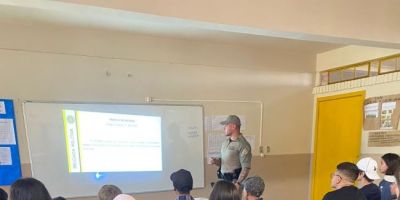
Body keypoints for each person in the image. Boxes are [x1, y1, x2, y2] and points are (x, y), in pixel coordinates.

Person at [208, 115, 252, 187]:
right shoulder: (225, 143)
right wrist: (215, 161)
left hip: (233, 182)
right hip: (222, 179)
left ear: (233, 126)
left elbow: (245, 168)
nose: (224, 128)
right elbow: (224, 162)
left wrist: (237, 183)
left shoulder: (243, 145)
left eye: (226, 125)